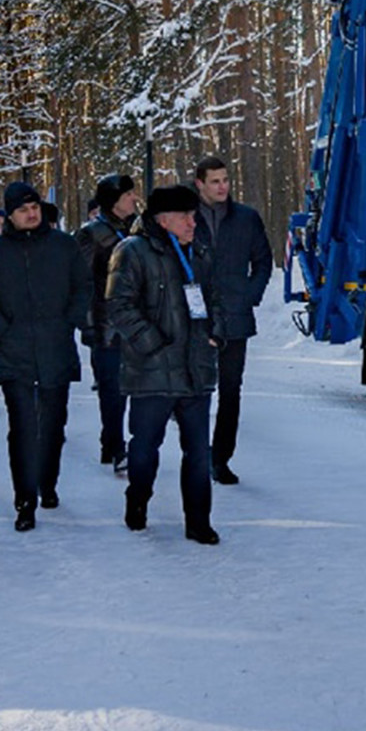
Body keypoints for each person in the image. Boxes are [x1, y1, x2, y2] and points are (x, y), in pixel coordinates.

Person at [106, 183, 220, 545]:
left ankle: (198, 521)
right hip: (152, 369)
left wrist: (216, 330)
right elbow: (118, 305)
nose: (193, 223)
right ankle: (137, 500)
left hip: (195, 368)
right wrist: (151, 342)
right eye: (185, 217)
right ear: (163, 219)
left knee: (199, 453)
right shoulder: (132, 251)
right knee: (144, 448)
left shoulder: (199, 251)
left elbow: (215, 299)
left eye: (194, 216)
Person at [0, 180, 90, 531]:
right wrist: (3, 330)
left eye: (35, 207)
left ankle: (47, 481)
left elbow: (83, 286)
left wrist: (69, 320)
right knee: (23, 426)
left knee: (53, 422)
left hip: (55, 345)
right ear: (10, 213)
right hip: (14, 351)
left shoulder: (63, 246)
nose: (31, 213)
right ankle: (24, 500)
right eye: (23, 209)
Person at [190, 155, 272, 485]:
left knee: (230, 391)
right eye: (215, 181)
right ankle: (195, 453)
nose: (222, 186)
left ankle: (220, 458)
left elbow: (263, 262)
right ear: (200, 184)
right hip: (196, 320)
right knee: (195, 391)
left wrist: (248, 296)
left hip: (236, 318)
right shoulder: (186, 218)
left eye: (225, 180)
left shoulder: (246, 219)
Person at [78, 173, 138, 472]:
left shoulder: (139, 228)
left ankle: (113, 441)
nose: (134, 199)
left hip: (136, 322)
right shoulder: (91, 234)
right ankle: (115, 445)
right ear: (114, 201)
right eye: (128, 196)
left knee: (133, 386)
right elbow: (83, 283)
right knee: (112, 388)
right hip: (106, 323)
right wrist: (89, 326)